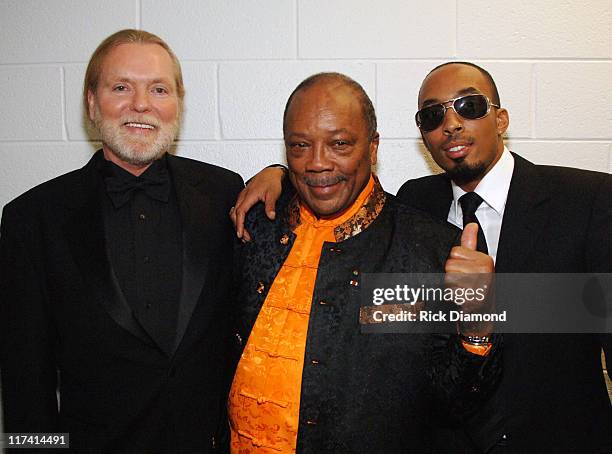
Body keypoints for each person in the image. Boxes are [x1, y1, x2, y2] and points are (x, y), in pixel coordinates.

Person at [232, 62, 612, 453]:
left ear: (501, 119)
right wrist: (278, 173)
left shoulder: (587, 201)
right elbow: (329, 178)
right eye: (433, 115)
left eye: (468, 106)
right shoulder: (417, 205)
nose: (451, 125)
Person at [228, 72, 501, 453]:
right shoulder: (256, 225)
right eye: (300, 146)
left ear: (372, 148)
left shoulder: (429, 249)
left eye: (339, 144)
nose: (317, 163)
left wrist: (478, 325)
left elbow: (454, 405)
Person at [0, 29, 243, 453]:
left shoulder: (225, 193)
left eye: (159, 89)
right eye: (121, 87)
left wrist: (278, 172)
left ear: (178, 105)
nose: (142, 104)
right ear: (92, 103)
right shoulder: (30, 219)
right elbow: (24, 384)